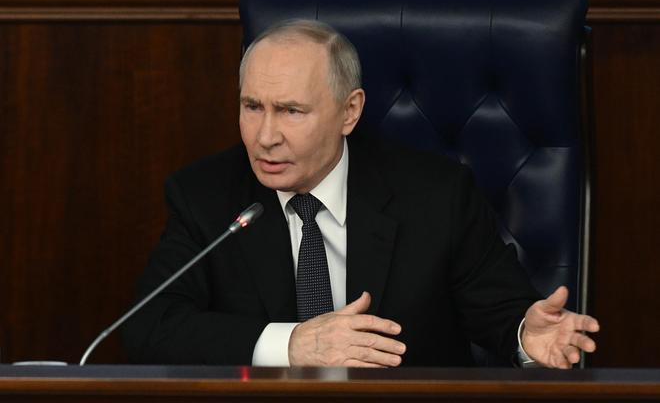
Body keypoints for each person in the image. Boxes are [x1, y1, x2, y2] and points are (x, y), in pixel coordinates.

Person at [122, 19, 599, 368]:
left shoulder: (435, 194)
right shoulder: (204, 195)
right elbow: (150, 327)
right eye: (252, 107)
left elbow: (501, 310)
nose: (265, 137)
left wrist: (525, 335)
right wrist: (293, 344)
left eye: (291, 111)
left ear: (349, 112)